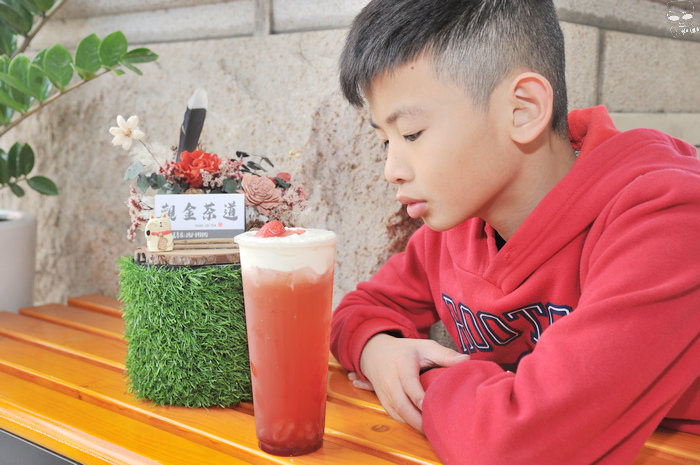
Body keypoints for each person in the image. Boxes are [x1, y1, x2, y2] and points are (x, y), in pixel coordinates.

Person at [329, 0, 700, 463]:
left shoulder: (670, 217)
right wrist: (380, 351)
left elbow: (516, 444)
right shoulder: (457, 225)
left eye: (412, 133)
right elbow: (358, 309)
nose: (392, 169)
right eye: (385, 141)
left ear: (523, 110)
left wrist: (418, 377)